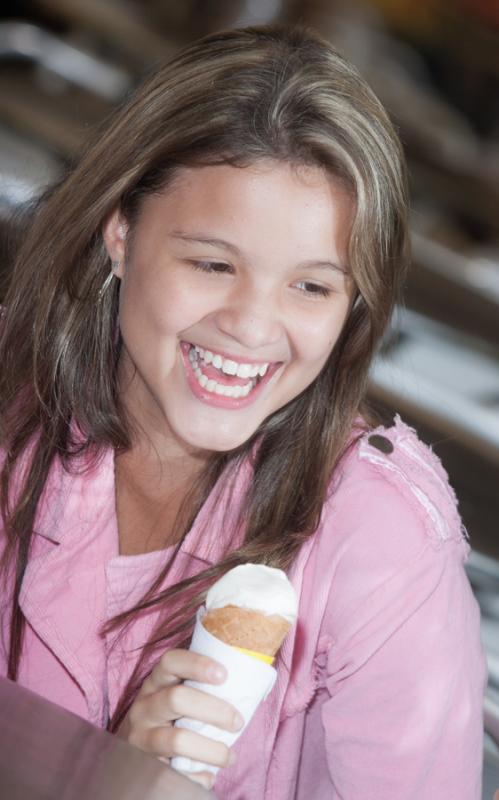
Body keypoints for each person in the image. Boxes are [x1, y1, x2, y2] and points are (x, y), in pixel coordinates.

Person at [0, 24, 486, 799]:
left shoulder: (379, 544)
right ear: (120, 233)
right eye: (213, 264)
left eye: (312, 286)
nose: (255, 328)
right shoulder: (15, 416)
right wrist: (96, 771)